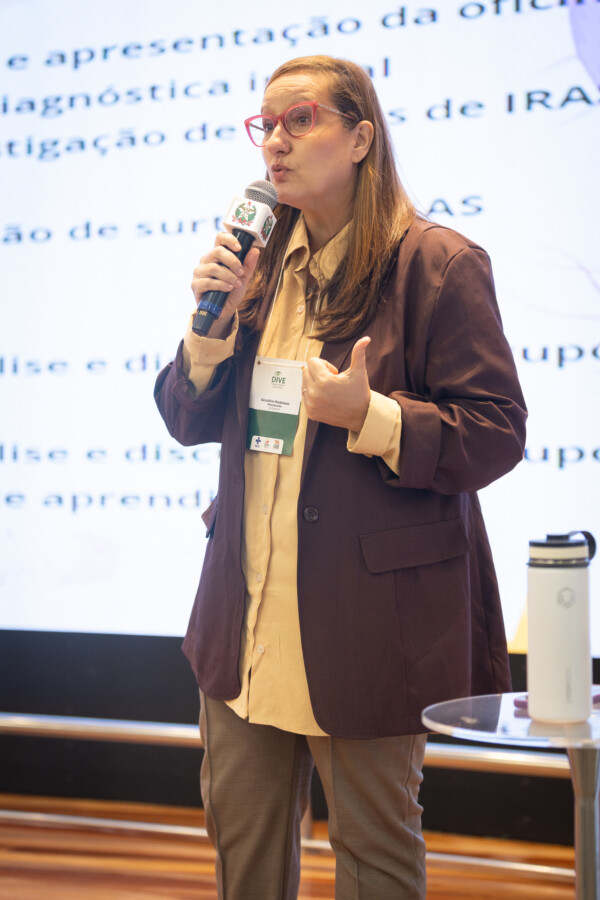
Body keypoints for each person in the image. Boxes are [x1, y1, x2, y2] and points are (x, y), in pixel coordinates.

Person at [154, 54, 527, 900]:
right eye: (266, 125)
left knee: (375, 861)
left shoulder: (435, 263)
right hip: (246, 623)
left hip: (371, 627)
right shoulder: (255, 267)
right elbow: (185, 418)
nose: (274, 142)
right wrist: (210, 331)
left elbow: (498, 431)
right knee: (243, 858)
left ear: (361, 139)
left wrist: (374, 417)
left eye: (301, 119)